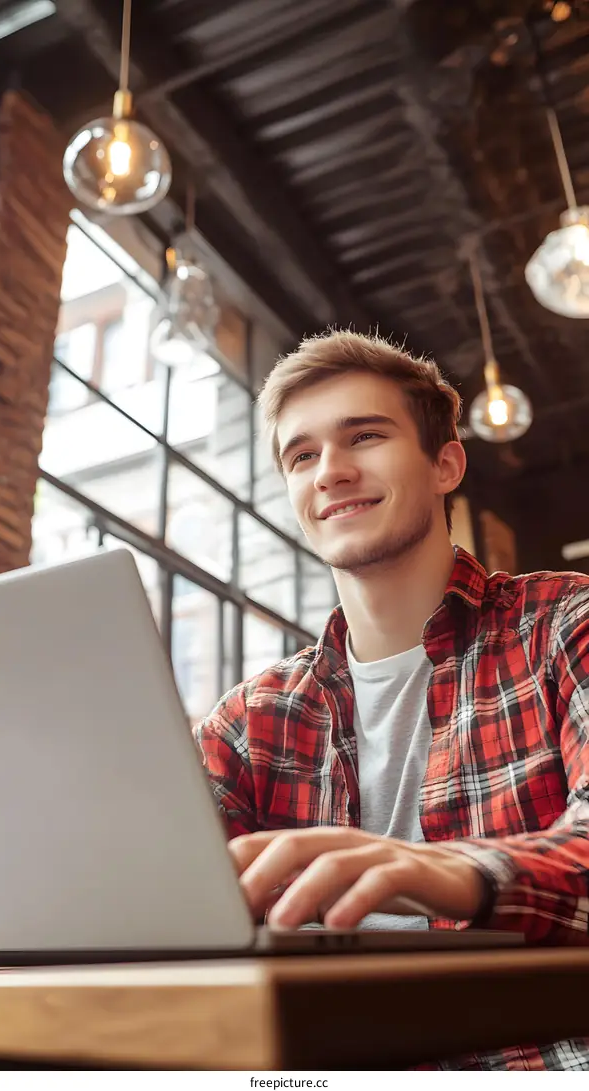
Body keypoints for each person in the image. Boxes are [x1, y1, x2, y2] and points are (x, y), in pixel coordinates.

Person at [194, 329, 589, 1071]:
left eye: (364, 437)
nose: (331, 472)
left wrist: (463, 874)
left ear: (445, 463)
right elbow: (164, 907)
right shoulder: (250, 722)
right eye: (301, 455)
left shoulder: (567, 624)